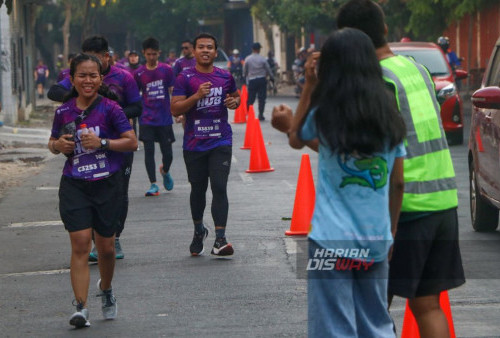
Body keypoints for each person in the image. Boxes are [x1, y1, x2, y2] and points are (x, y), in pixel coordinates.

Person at [337, 1, 465, 336]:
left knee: (372, 306)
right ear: (383, 30)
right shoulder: (415, 69)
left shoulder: (376, 80)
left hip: (404, 209)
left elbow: (383, 158)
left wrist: (388, 228)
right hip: (442, 202)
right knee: (427, 304)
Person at [271, 28, 406, 337]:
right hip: (375, 240)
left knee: (333, 326)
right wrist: (392, 231)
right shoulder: (389, 116)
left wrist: (309, 85)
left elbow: (296, 138)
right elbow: (398, 184)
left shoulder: (326, 113)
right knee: (376, 322)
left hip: (330, 243)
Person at [48, 53, 138, 328]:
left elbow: (131, 142)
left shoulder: (111, 108)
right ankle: (81, 307)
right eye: (82, 75)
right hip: (75, 183)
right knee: (79, 243)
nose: (87, 80)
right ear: (72, 79)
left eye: (93, 75)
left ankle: (107, 289)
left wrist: (102, 143)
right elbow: (53, 141)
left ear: (100, 78)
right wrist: (57, 146)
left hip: (106, 184)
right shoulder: (63, 112)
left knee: (106, 249)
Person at [47, 36, 143, 261]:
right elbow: (53, 92)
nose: (89, 67)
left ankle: (114, 238)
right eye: (83, 72)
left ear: (106, 58)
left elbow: (137, 107)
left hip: (116, 144)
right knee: (85, 190)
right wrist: (79, 98)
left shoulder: (124, 77)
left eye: (95, 61)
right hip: (84, 149)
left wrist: (110, 116)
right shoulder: (78, 77)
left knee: (119, 192)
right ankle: (92, 240)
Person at [171, 32, 240, 257]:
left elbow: (237, 98)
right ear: (194, 50)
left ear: (215, 50)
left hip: (220, 140)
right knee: (198, 190)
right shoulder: (185, 77)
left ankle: (220, 239)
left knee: (219, 187)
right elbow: (175, 108)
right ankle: (199, 229)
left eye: (210, 47)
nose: (205, 51)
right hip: (194, 143)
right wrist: (196, 96)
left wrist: (233, 102)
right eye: (201, 47)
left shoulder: (225, 76)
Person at [134, 37, 176, 196]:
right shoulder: (138, 73)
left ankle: (165, 171)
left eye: (154, 54)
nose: (152, 57)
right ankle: (153, 184)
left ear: (159, 53)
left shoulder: (166, 70)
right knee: (149, 151)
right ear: (144, 53)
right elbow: (133, 95)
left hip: (164, 118)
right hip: (146, 118)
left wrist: (178, 111)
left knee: (168, 154)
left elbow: (173, 91)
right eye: (149, 54)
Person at [243, 42, 273, 120]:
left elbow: (245, 70)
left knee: (251, 98)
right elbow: (268, 69)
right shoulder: (262, 59)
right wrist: (272, 77)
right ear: (258, 49)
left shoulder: (248, 59)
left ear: (252, 49)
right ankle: (261, 115)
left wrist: (244, 77)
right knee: (262, 98)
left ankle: (249, 114)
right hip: (262, 80)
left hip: (252, 80)